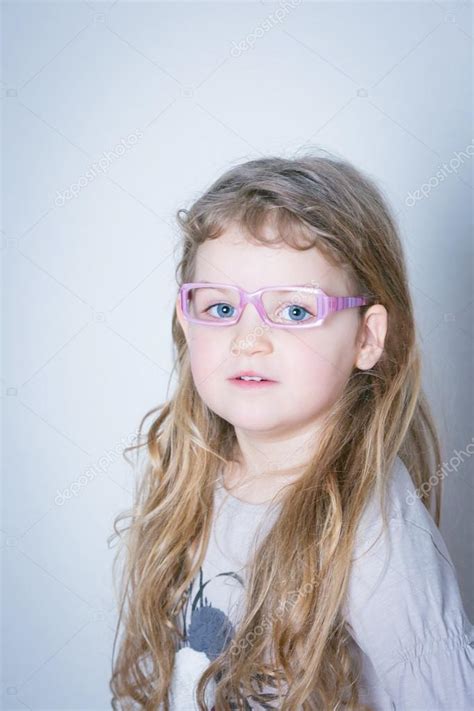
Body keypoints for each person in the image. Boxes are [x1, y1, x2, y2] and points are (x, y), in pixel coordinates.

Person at [109, 151, 474, 710]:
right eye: (220, 307)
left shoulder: (375, 529)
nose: (248, 338)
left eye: (295, 312)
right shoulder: (189, 477)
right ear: (185, 320)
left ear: (366, 339)